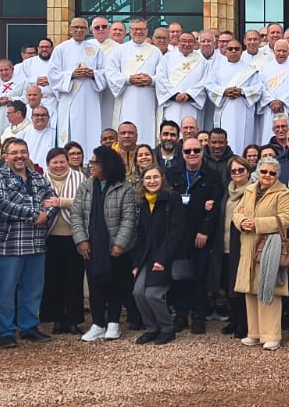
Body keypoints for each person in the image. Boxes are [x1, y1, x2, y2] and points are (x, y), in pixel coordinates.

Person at [0, 137, 57, 347]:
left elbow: (52, 198)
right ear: (5, 156)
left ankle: (29, 326)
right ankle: (6, 330)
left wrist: (46, 213)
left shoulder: (37, 177)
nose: (19, 156)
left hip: (36, 243)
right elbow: (2, 204)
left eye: (23, 152)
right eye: (15, 152)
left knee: (32, 289)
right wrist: (34, 214)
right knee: (6, 291)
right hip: (9, 243)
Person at [71, 145, 141, 342]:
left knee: (116, 284)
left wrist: (120, 243)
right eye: (91, 162)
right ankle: (97, 323)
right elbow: (76, 215)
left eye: (95, 162)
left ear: (107, 164)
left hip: (116, 246)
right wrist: (82, 240)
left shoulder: (124, 187)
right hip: (91, 246)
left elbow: (129, 219)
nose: (91, 165)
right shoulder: (85, 186)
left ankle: (113, 323)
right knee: (95, 284)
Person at [232, 157, 289, 351]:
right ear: (258, 172)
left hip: (269, 246)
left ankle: (272, 334)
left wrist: (258, 224)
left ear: (277, 175)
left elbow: (288, 217)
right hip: (249, 245)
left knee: (269, 290)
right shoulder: (249, 190)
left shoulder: (283, 193)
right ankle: (255, 333)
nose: (267, 175)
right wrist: (242, 222)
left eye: (272, 173)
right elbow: (237, 211)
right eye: (264, 172)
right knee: (251, 290)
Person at [170, 135, 223, 335]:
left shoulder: (212, 175)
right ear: (182, 153)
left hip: (200, 234)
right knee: (181, 276)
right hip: (178, 235)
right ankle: (181, 314)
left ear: (202, 151)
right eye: (187, 151)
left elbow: (215, 206)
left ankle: (199, 316)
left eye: (196, 150)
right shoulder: (172, 173)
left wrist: (204, 231)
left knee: (200, 276)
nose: (192, 154)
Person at [130, 166, 185, 344]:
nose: (152, 181)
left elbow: (177, 232)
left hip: (167, 255)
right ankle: (152, 328)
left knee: (153, 294)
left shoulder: (172, 198)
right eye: (148, 178)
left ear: (162, 179)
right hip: (147, 256)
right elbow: (141, 236)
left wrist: (162, 259)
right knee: (138, 292)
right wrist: (136, 263)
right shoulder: (142, 201)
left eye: (155, 177)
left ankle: (167, 328)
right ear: (142, 182)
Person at [41, 146, 87, 336]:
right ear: (48, 164)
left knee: (74, 279)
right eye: (55, 162)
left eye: (62, 161)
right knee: (54, 280)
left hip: (74, 235)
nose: (59, 165)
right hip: (50, 236)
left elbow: (84, 201)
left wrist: (62, 202)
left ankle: (73, 320)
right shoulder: (41, 179)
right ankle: (58, 319)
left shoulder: (79, 177)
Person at [48, 17, 105, 146]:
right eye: (76, 27)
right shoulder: (61, 49)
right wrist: (71, 75)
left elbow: (105, 71)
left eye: (82, 28)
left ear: (87, 31)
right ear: (70, 30)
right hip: (69, 97)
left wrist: (93, 74)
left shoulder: (95, 49)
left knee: (91, 130)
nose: (79, 30)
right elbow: (52, 73)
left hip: (90, 96)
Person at [109, 19, 163, 145]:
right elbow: (111, 74)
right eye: (135, 29)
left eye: (142, 29)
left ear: (147, 31)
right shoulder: (119, 51)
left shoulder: (155, 52)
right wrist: (129, 79)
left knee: (147, 129)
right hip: (127, 98)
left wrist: (151, 80)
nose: (139, 32)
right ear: (130, 31)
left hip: (148, 100)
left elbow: (162, 76)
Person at [207, 39, 263, 155]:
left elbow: (258, 88)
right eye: (230, 49)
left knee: (243, 140)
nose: (233, 51)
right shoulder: (217, 69)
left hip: (243, 110)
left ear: (242, 51)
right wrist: (224, 91)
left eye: (237, 49)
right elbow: (209, 86)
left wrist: (242, 91)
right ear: (225, 51)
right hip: (224, 109)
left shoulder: (250, 69)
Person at [220, 157, 253, 337]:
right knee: (227, 286)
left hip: (242, 246)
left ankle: (244, 324)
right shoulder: (227, 192)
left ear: (248, 172)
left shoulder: (253, 192)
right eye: (234, 171)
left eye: (241, 170)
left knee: (240, 288)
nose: (237, 174)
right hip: (225, 246)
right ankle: (234, 319)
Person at [157, 30, 210, 129]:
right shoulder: (167, 58)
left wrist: (189, 94)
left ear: (195, 43)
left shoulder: (202, 61)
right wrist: (175, 95)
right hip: (172, 104)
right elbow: (161, 79)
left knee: (191, 129)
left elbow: (205, 81)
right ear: (178, 42)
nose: (187, 44)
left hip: (191, 104)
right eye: (183, 41)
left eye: (190, 41)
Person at [255, 39, 289, 144]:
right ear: (273, 51)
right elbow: (261, 87)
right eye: (278, 51)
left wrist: (282, 101)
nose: (281, 53)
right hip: (270, 110)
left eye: (284, 51)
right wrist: (271, 102)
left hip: (286, 109)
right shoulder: (266, 67)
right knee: (269, 137)